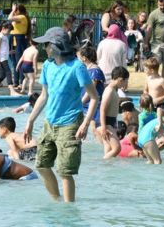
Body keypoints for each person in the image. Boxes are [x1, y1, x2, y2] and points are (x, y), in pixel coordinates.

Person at [23, 27, 100, 202]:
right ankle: (56, 201)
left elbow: (94, 97)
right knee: (42, 165)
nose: (44, 48)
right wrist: (30, 120)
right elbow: (44, 95)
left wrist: (85, 123)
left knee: (65, 171)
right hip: (49, 123)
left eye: (47, 45)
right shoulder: (48, 66)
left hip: (71, 123)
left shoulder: (77, 67)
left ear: (57, 45)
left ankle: (68, 211)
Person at [99, 67, 129, 159]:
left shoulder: (114, 90)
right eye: (126, 81)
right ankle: (103, 163)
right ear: (120, 80)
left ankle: (105, 170)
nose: (126, 84)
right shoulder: (109, 90)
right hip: (107, 123)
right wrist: (104, 127)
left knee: (108, 149)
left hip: (111, 122)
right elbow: (102, 109)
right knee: (117, 148)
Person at [0, 22, 20, 96]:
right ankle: (12, 91)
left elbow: (3, 48)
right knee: (8, 72)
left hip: (4, 57)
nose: (9, 33)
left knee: (2, 75)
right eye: (8, 31)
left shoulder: (4, 36)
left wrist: (10, 52)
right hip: (1, 59)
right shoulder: (0, 36)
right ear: (3, 29)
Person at [78, 46, 105, 132]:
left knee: (94, 128)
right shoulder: (87, 69)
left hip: (94, 104)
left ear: (84, 58)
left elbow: (91, 90)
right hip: (87, 103)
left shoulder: (95, 70)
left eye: (79, 57)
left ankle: (106, 144)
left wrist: (81, 102)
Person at [8, 3, 30, 87]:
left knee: (19, 61)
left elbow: (9, 18)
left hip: (19, 40)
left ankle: (21, 82)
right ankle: (16, 82)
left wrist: (13, 10)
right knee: (14, 62)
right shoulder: (18, 18)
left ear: (19, 10)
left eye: (16, 10)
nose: (14, 11)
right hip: (14, 39)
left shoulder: (22, 17)